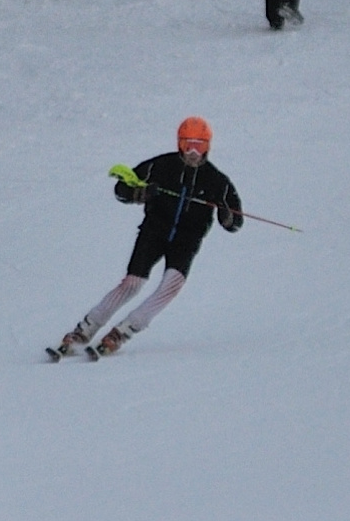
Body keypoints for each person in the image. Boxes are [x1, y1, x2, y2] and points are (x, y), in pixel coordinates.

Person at [52, 117, 243, 359]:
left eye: (200, 145)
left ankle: (124, 331)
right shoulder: (161, 166)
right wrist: (138, 193)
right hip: (154, 231)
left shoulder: (217, 181)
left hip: (187, 241)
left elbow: (236, 221)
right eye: (188, 144)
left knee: (172, 284)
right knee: (132, 283)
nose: (194, 152)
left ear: (208, 147)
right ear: (179, 144)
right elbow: (122, 189)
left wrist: (227, 217)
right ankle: (84, 330)